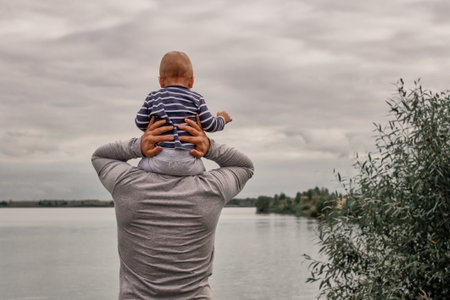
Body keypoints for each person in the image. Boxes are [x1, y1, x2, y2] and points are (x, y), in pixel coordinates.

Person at [91, 116, 254, 299]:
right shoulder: (211, 188)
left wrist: (138, 146)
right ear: (193, 146)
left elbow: (100, 156)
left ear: (153, 144)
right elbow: (245, 166)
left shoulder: (128, 183)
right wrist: (209, 147)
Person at [135, 51, 232, 176]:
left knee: (141, 168)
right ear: (191, 81)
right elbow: (210, 125)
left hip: (159, 159)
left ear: (161, 81)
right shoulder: (197, 99)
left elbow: (140, 122)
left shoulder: (153, 97)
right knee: (201, 172)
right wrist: (222, 119)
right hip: (188, 161)